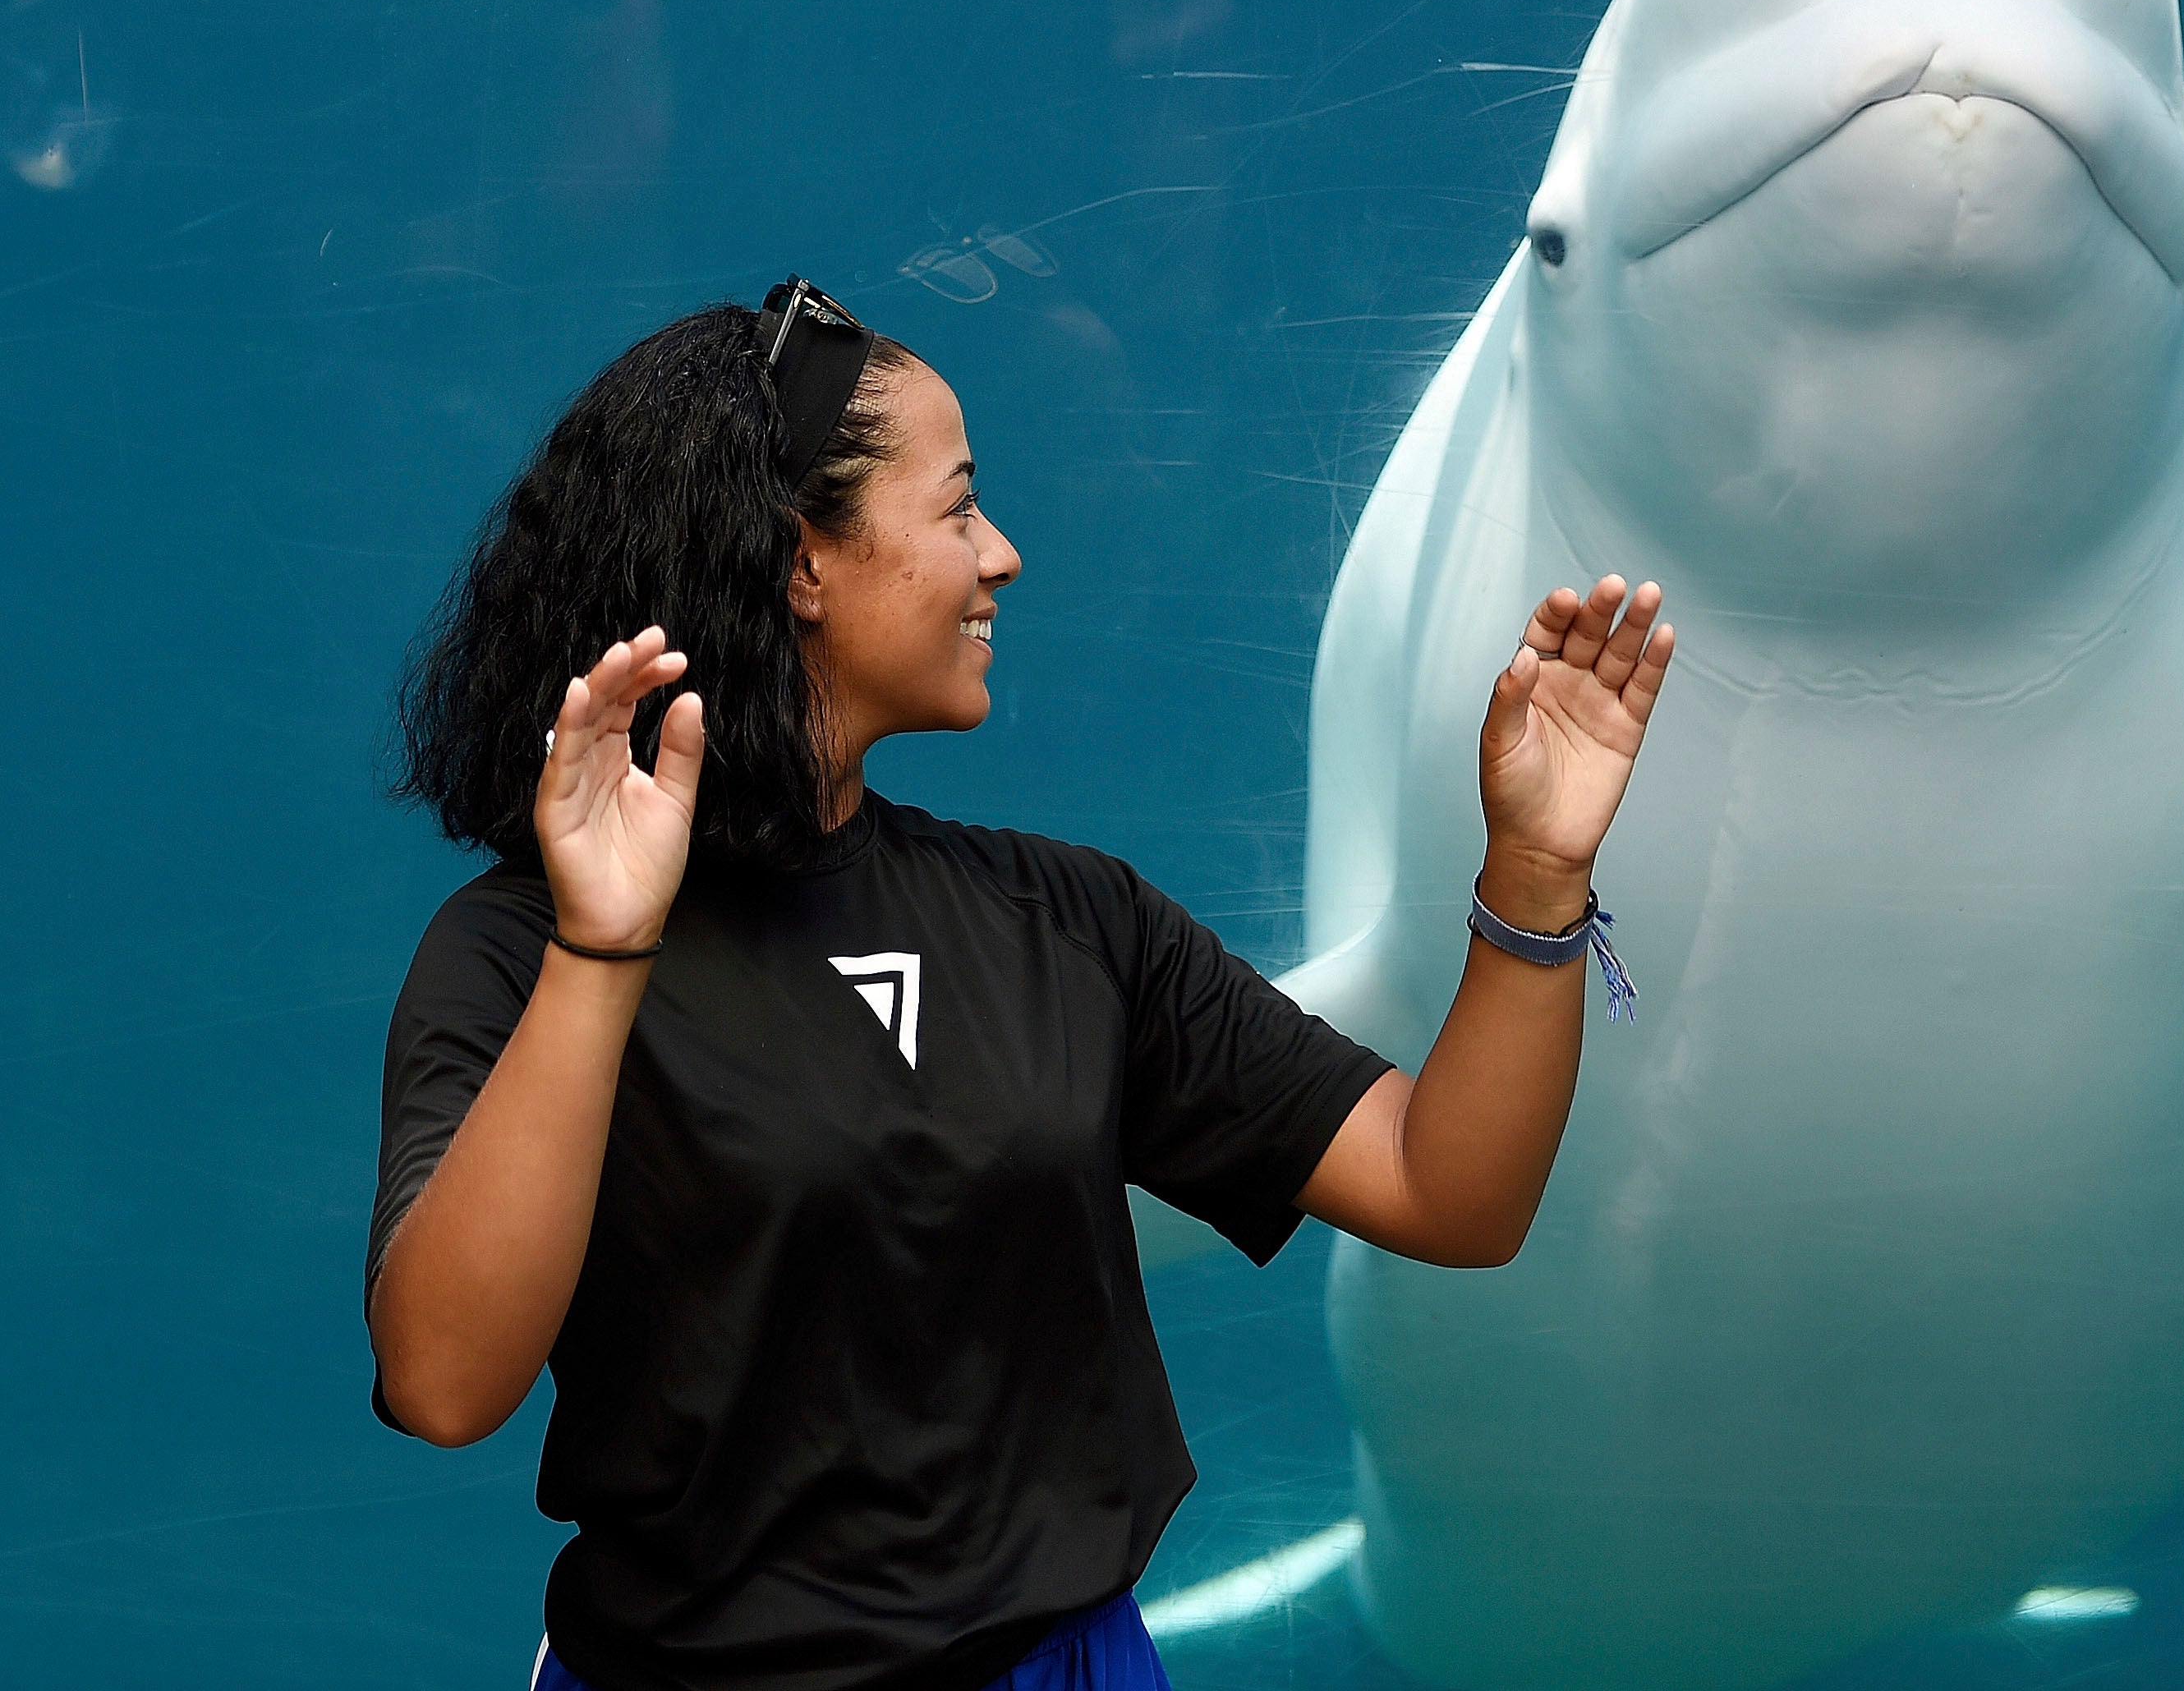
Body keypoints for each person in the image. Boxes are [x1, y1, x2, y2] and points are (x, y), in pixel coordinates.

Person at [370, 278, 1675, 1691]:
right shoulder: (517, 951)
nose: (1002, 555)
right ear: (800, 562)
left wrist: (1537, 878)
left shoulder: (1064, 917)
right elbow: (444, 1385)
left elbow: (1452, 1192)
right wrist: (603, 947)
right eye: (956, 507)